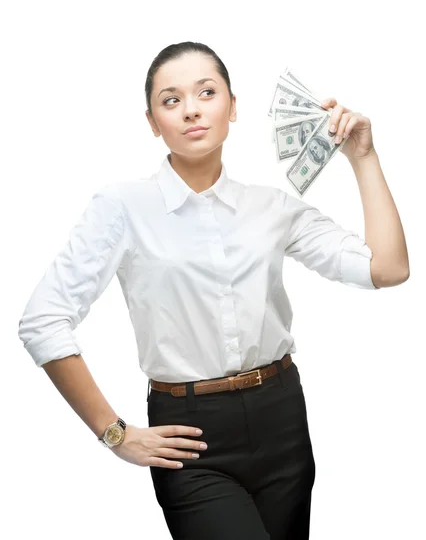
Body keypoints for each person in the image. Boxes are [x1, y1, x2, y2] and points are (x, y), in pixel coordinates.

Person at [17, 41, 410, 540]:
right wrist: (113, 433)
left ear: (234, 106)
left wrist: (363, 157)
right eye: (171, 99)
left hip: (282, 418)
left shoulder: (273, 209)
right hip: (189, 434)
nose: (192, 109)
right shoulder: (122, 207)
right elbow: (43, 320)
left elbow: (388, 268)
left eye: (207, 91)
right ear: (152, 121)